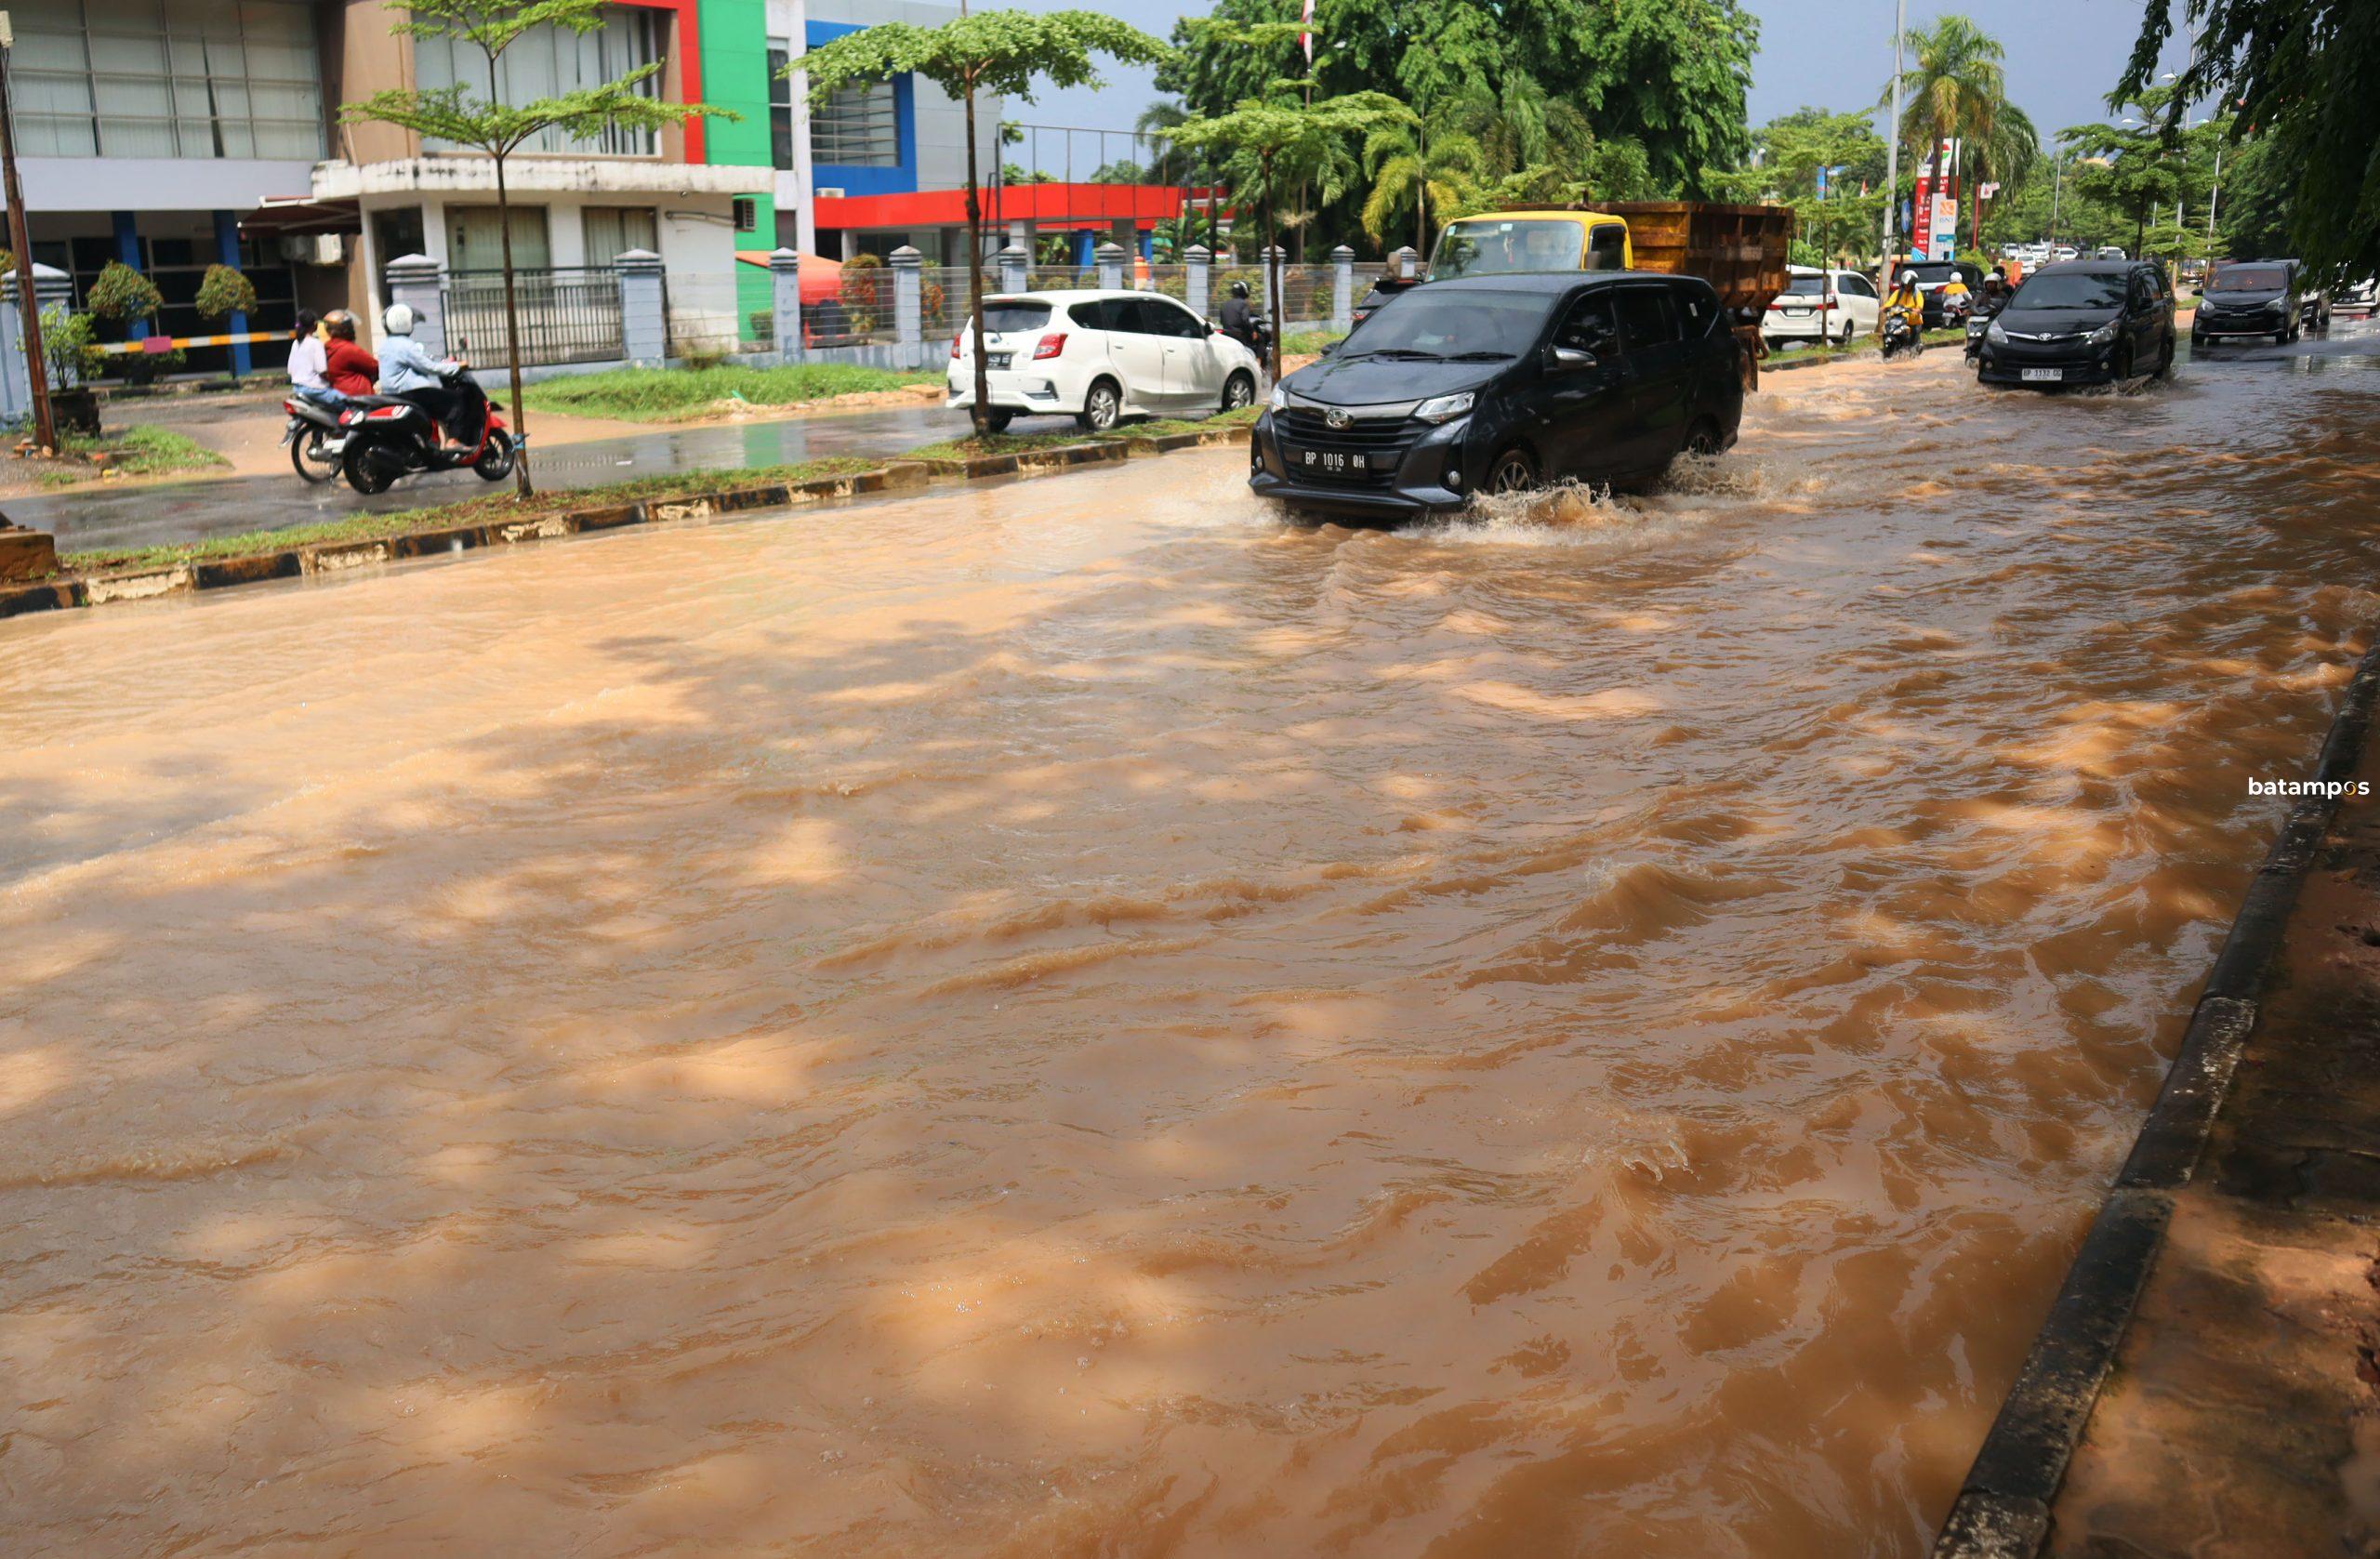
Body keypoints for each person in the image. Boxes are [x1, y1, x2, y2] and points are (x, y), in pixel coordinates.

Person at [375, 303, 474, 445]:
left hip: (392, 393)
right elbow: (429, 367)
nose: (413, 326)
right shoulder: (405, 345)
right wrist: (455, 366)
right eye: (410, 322)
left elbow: (420, 362)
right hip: (412, 392)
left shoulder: (386, 344)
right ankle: (453, 441)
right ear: (402, 322)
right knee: (455, 401)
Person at [285, 310, 340, 410]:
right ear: (314, 325)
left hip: (297, 388)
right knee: (346, 402)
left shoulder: (296, 343)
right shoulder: (316, 343)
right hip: (315, 389)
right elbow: (322, 370)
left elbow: (290, 370)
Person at [321, 311, 378, 399]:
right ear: (344, 329)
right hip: (360, 397)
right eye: (349, 326)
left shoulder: (328, 347)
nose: (353, 329)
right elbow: (374, 366)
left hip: (340, 393)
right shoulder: (348, 349)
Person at [1218, 280, 1260, 353]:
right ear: (1245, 292)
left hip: (1226, 334)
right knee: (1261, 339)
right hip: (1239, 335)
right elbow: (1245, 321)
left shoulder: (1225, 304)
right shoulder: (1243, 304)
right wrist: (1253, 331)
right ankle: (1258, 363)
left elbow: (1222, 321)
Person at [1881, 269, 1924, 337]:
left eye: (1909, 285)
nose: (1907, 287)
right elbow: (1890, 302)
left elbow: (1920, 306)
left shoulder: (1917, 294)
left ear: (1912, 284)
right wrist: (1883, 308)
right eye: (1905, 285)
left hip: (1912, 321)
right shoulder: (1898, 292)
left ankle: (1914, 343)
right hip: (1899, 318)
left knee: (1914, 332)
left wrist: (1916, 310)